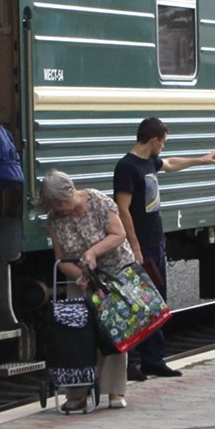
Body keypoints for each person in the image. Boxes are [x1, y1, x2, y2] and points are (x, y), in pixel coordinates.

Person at [113, 118, 215, 379]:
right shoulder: (126, 167)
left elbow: (170, 163)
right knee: (137, 304)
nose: (164, 147)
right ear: (154, 140)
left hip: (155, 242)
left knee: (158, 302)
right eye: (164, 142)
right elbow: (123, 210)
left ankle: (153, 359)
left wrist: (199, 160)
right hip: (140, 246)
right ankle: (132, 362)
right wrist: (134, 246)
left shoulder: (149, 162)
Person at [39, 170, 133, 410]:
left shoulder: (99, 201)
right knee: (76, 334)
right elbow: (61, 258)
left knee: (113, 331)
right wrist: (80, 276)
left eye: (63, 203)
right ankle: (77, 393)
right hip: (80, 279)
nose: (62, 210)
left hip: (113, 272)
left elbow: (119, 234)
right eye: (56, 206)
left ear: (72, 191)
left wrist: (93, 253)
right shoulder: (54, 219)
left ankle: (114, 391)